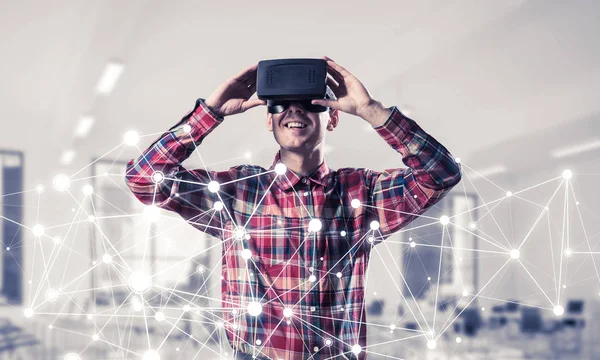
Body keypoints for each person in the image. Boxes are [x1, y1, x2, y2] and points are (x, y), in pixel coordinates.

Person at [125, 56, 462, 359]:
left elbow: (441, 174)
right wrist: (207, 115)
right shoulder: (237, 192)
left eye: (310, 103)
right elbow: (143, 178)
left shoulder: (362, 193)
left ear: (332, 119)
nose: (295, 110)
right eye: (281, 104)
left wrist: (372, 110)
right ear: (268, 121)